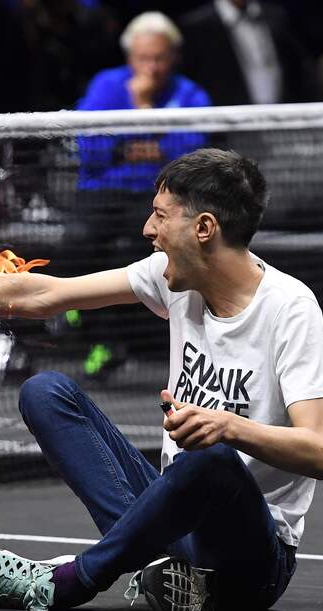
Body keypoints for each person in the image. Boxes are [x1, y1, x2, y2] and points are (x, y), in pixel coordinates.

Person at [0, 148, 323, 611]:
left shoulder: (290, 309)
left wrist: (228, 427)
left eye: (161, 217)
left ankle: (70, 579)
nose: (148, 230)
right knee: (46, 393)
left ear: (204, 229)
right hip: (175, 522)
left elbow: (320, 452)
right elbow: (42, 293)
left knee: (212, 461)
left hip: (253, 558)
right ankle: (166, 573)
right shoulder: (170, 278)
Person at [71, 11, 211, 377]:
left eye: (159, 58)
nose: (151, 67)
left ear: (174, 57)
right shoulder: (106, 86)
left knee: (136, 253)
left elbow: (189, 155)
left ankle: (124, 342)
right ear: (130, 57)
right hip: (102, 193)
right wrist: (144, 131)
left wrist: (139, 117)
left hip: (160, 197)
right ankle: (95, 335)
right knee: (77, 243)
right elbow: (90, 151)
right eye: (143, 58)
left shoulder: (191, 94)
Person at [177, 0, 319, 106]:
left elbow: (300, 70)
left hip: (281, 119)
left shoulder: (276, 16)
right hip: (229, 126)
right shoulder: (196, 26)